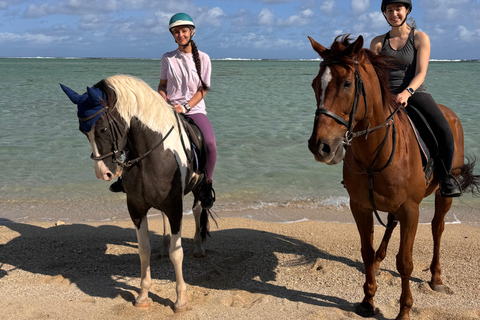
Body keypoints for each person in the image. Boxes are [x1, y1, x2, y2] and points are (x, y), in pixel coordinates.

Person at [370, 0, 461, 197]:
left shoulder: (419, 38)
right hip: (386, 94)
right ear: (384, 14)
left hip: (414, 92)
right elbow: (374, 76)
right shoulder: (377, 42)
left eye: (398, 9)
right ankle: (354, 173)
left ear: (407, 10)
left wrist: (406, 93)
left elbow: (421, 73)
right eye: (389, 10)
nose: (394, 14)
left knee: (444, 129)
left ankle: (445, 177)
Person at [157, 12, 217, 209]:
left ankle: (207, 185)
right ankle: (126, 177)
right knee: (138, 132)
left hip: (194, 110)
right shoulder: (167, 58)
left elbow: (203, 90)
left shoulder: (204, 58)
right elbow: (162, 86)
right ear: (172, 35)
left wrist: (186, 106)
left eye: (183, 31)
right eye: (176, 32)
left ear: (191, 32)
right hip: (169, 109)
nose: (180, 34)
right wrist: (163, 98)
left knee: (209, 144)